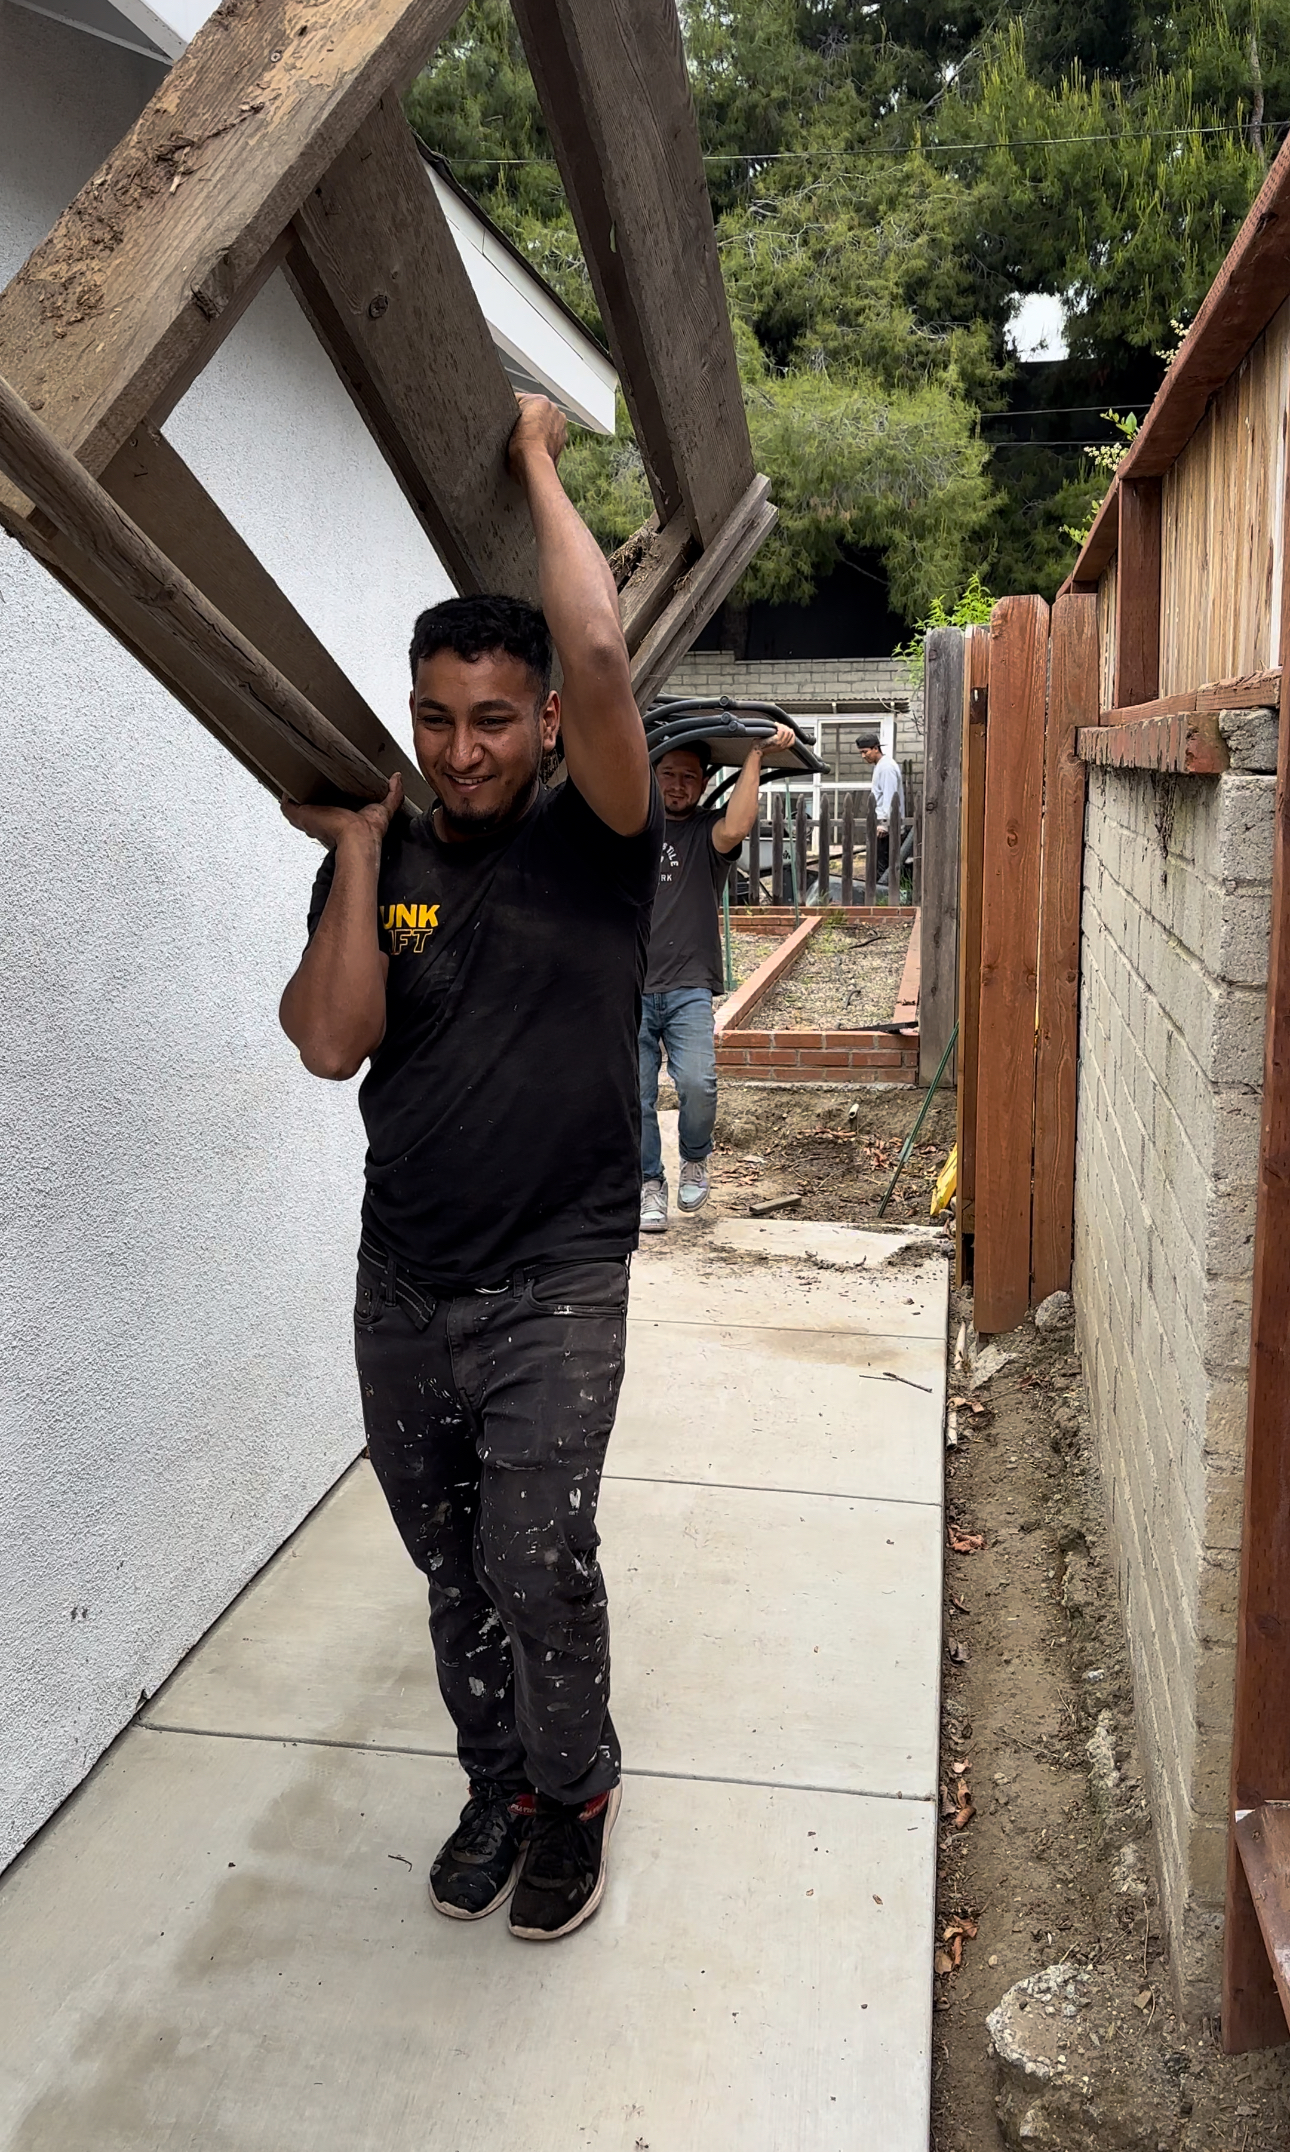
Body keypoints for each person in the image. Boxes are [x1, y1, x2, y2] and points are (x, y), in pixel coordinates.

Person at [278, 394, 662, 1944]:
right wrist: (362, 851)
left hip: (555, 1280)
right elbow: (328, 1043)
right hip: (402, 1283)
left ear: (545, 722)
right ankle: (495, 1784)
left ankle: (572, 1796)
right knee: (452, 1570)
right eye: (436, 716)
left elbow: (608, 652)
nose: (462, 747)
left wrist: (530, 460)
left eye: (492, 718)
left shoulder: (603, 837)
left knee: (534, 1559)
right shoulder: (390, 856)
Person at [639, 725, 795, 1231]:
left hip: (688, 986)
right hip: (631, 987)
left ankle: (694, 1157)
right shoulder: (631, 828)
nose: (678, 784)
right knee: (632, 1094)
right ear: (652, 777)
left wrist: (754, 754)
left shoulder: (707, 833)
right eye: (668, 774)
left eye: (689, 777)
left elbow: (739, 824)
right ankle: (647, 1184)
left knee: (697, 1084)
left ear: (704, 784)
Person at [857, 730, 905, 890]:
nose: (863, 756)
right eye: (861, 753)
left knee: (882, 867)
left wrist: (884, 824)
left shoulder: (886, 768)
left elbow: (890, 797)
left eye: (865, 752)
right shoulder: (881, 766)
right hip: (884, 825)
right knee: (880, 866)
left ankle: (883, 899)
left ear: (876, 748)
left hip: (887, 828)